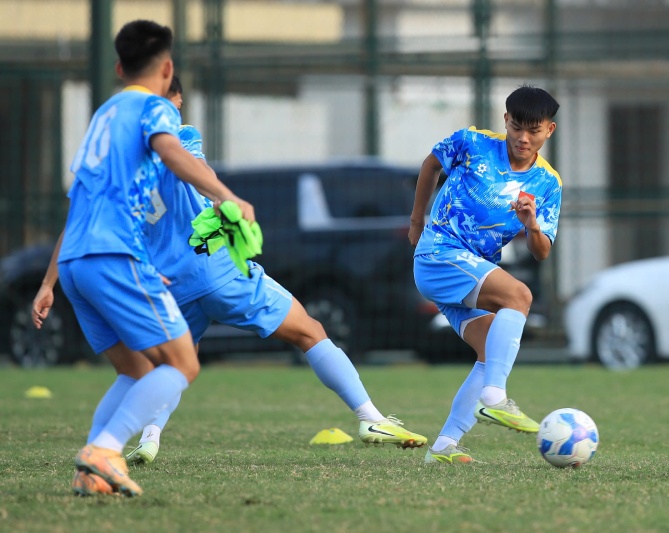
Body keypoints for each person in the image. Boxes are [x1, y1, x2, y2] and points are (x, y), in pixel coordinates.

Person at [34, 76, 428, 495]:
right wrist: (224, 196)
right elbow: (190, 164)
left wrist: (48, 283)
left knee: (167, 364)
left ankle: (147, 439)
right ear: (174, 99)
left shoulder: (117, 165)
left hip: (166, 283)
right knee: (309, 331)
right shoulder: (178, 135)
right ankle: (370, 416)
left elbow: (78, 220)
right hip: (214, 270)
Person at [47, 19, 254, 497]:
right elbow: (174, 152)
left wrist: (48, 282)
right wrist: (224, 196)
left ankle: (91, 469)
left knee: (136, 369)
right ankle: (103, 451)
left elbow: (78, 199)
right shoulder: (154, 108)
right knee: (182, 363)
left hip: (77, 262)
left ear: (119, 67)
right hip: (112, 255)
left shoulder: (103, 117)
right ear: (168, 68)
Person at [407, 85, 562, 464]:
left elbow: (542, 252)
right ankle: (495, 398)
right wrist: (416, 221)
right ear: (506, 120)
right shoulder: (472, 142)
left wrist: (532, 226)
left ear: (549, 131)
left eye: (534, 130)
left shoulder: (548, 184)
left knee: (489, 347)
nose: (523, 138)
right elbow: (431, 164)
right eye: (517, 127)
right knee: (519, 296)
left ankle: (443, 447)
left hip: (471, 270)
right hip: (439, 253)